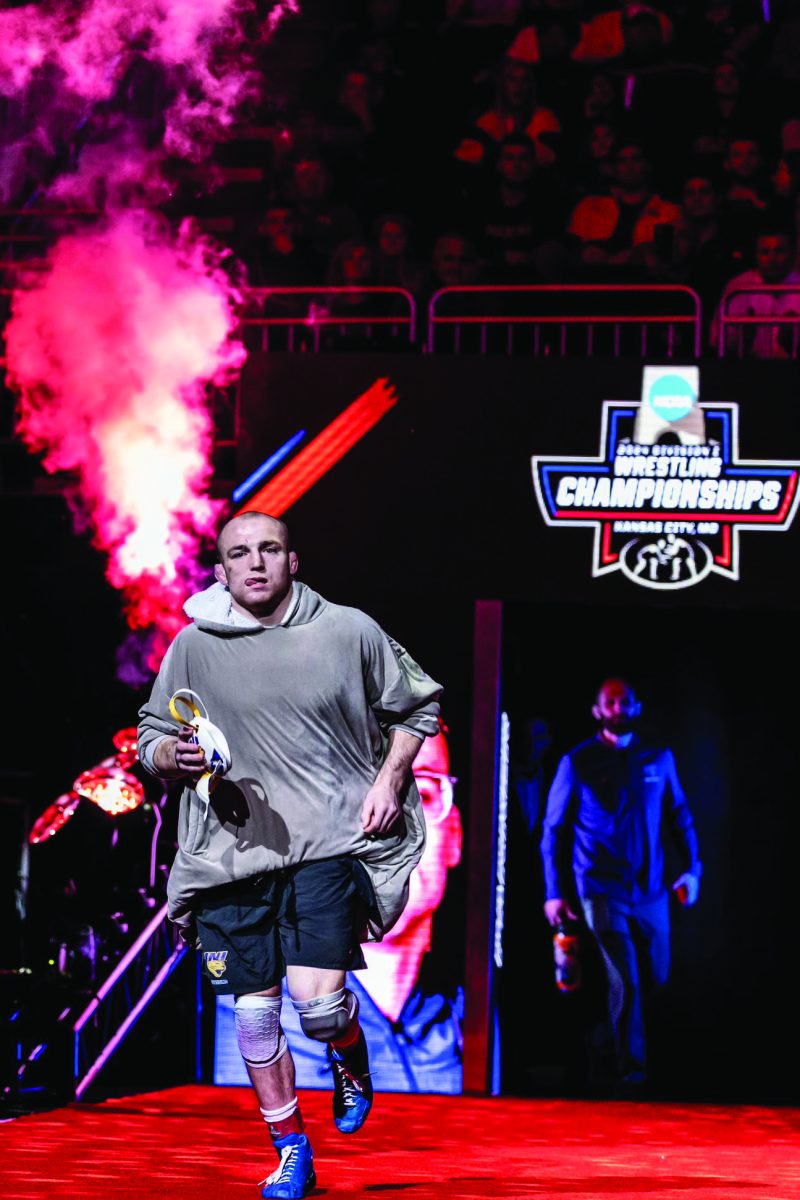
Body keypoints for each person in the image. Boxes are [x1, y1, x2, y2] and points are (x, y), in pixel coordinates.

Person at [138, 511, 441, 1198]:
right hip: (229, 857)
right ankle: (292, 1150)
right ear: (221, 570)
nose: (255, 563)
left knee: (321, 1009)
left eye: (269, 549)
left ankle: (349, 1057)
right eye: (239, 553)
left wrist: (391, 780)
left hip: (325, 847)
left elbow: (417, 707)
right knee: (253, 1017)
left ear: (292, 560)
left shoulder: (348, 631)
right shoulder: (192, 645)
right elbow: (150, 734)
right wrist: (170, 754)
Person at [271, 722, 464, 1094]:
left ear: (454, 837)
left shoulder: (470, 1024)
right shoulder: (265, 1015)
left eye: (422, 794)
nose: (394, 832)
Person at [540, 678, 701, 1094]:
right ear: (597, 710)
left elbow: (679, 814)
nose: (618, 707)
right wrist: (554, 891)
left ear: (637, 707)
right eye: (610, 702)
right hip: (599, 889)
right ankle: (632, 1079)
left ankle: (603, 1045)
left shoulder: (657, 759)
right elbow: (554, 831)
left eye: (625, 701)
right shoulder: (577, 762)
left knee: (657, 978)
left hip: (651, 892)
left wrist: (692, 869)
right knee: (624, 980)